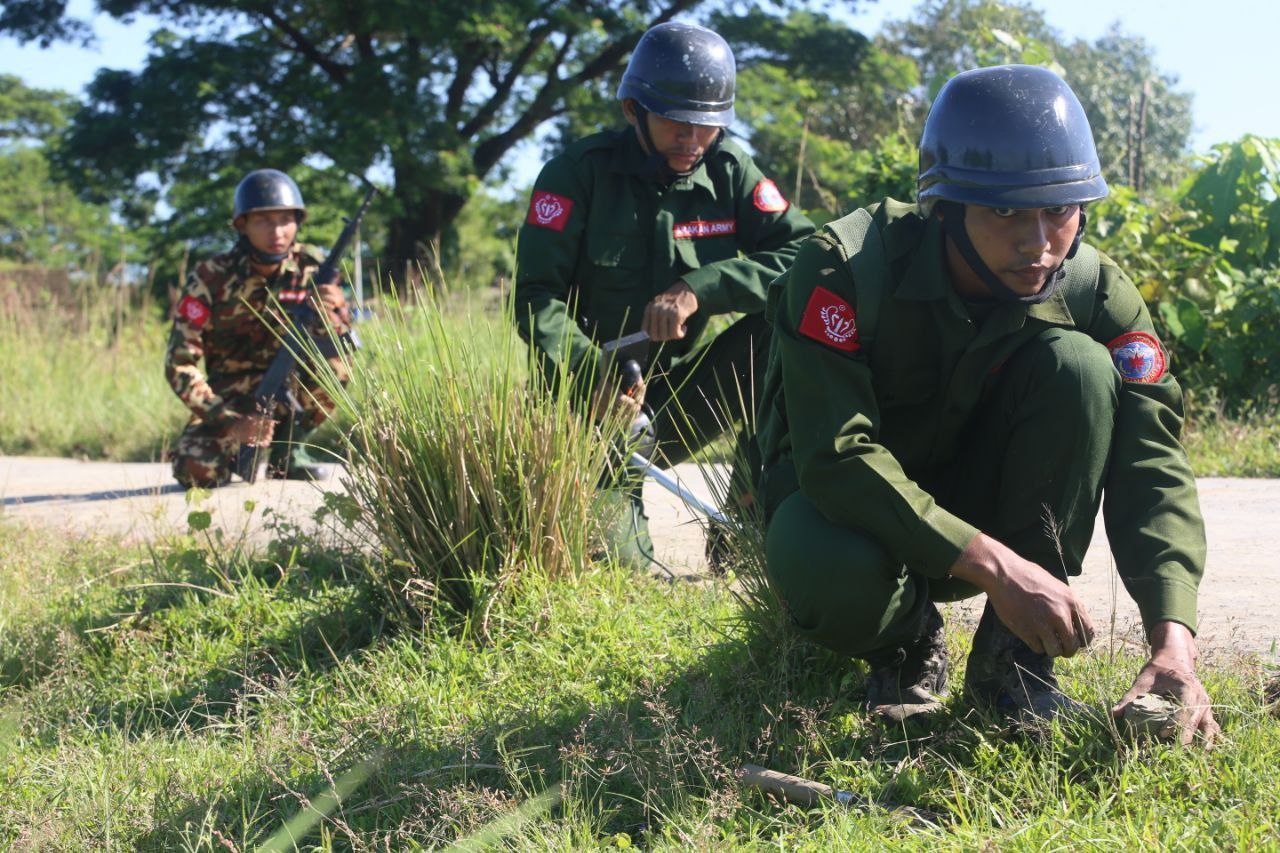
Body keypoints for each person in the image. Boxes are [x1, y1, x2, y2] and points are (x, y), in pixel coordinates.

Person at [755, 64, 1218, 743]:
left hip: (984, 513)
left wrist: (1173, 640)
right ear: (944, 207)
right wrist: (996, 567)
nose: (1037, 242)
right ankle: (908, 643)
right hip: (850, 521)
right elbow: (836, 458)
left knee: (1085, 368)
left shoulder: (1098, 294)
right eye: (1004, 211)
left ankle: (1013, 664)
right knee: (819, 560)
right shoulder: (845, 268)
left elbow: (1154, 464)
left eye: (1059, 211)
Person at [513, 21, 815, 569]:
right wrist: (592, 374)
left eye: (706, 125)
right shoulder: (575, 175)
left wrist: (701, 288)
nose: (691, 139)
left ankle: (748, 521)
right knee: (619, 571)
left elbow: (810, 259)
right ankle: (602, 513)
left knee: (786, 326)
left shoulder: (730, 171)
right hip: (592, 412)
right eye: (676, 122)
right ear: (634, 109)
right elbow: (535, 299)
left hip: (679, 399)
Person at [166, 168, 351, 488]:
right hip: (228, 400)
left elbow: (338, 344)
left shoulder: (312, 268)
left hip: (290, 392)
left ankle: (289, 451)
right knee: (195, 469)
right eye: (264, 220)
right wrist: (230, 422)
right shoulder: (211, 276)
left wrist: (333, 313)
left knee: (337, 370)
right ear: (243, 225)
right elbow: (180, 364)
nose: (277, 231)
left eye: (285, 219)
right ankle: (239, 454)